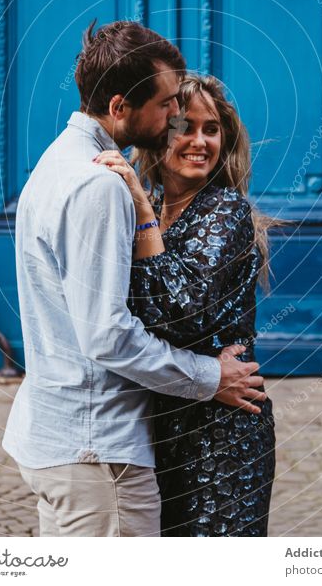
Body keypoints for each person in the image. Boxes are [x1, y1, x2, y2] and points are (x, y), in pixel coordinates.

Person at [2, 21, 267, 537]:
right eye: (169, 106)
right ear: (121, 107)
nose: (175, 117)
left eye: (204, 125)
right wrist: (211, 377)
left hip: (79, 442)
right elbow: (108, 335)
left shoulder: (56, 164)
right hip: (97, 448)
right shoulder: (101, 185)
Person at [95, 73, 277, 536]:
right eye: (185, 127)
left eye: (211, 129)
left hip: (222, 436)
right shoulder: (151, 206)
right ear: (160, 137)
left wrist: (140, 212)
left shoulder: (224, 211)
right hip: (158, 426)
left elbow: (182, 310)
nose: (199, 141)